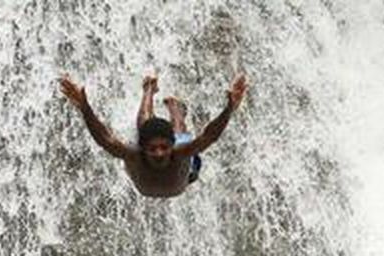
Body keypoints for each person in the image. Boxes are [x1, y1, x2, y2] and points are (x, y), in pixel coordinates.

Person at [60, 73, 247, 198]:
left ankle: (175, 107)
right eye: (152, 149)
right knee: (143, 126)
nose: (159, 153)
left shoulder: (180, 152)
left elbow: (209, 136)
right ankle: (149, 88)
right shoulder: (133, 154)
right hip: (156, 179)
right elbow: (104, 139)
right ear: (143, 149)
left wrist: (229, 108)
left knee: (181, 132)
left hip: (187, 175)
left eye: (164, 147)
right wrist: (85, 107)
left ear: (171, 146)